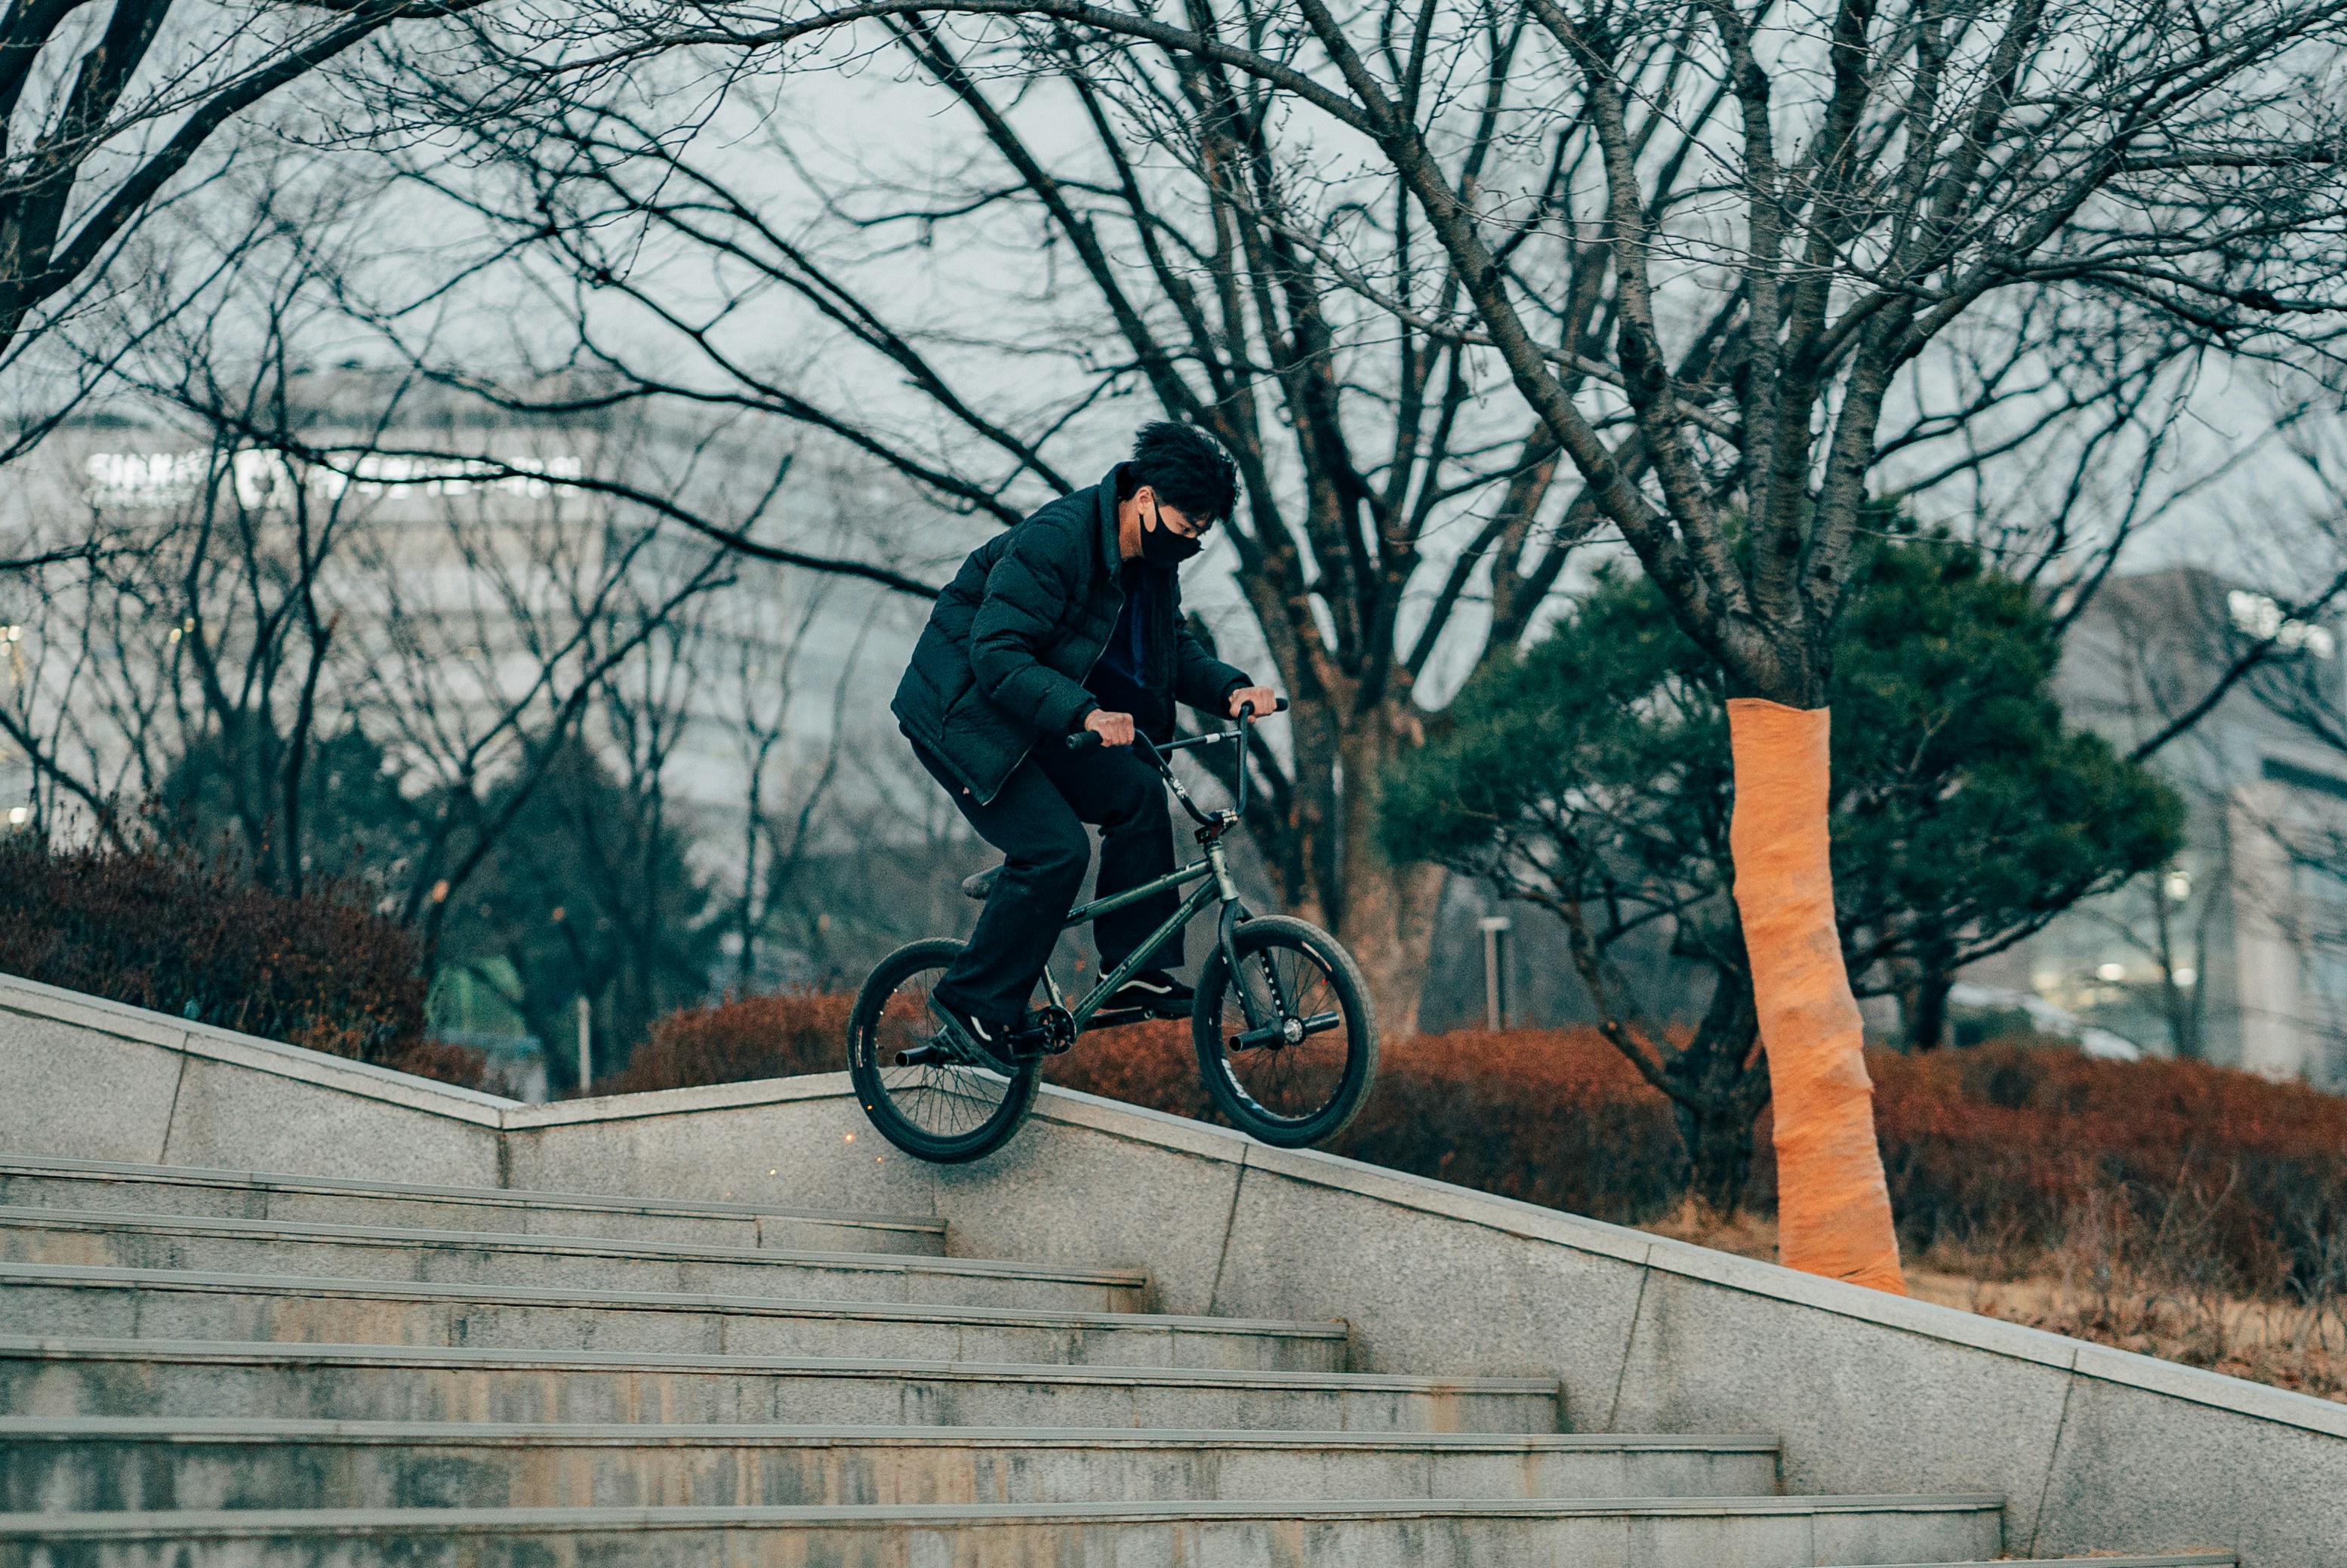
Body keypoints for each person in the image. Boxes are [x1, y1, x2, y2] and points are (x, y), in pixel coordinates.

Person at [892, 423, 1278, 1067]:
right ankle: (971, 1002)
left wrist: (1230, 688)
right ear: (1145, 499)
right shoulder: (1058, 539)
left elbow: (1171, 651)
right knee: (1055, 849)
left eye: (1200, 534)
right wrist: (1086, 711)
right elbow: (995, 651)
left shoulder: (1152, 567)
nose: (1189, 544)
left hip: (1040, 717)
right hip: (964, 718)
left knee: (1138, 792)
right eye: (1185, 527)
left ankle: (1136, 970)